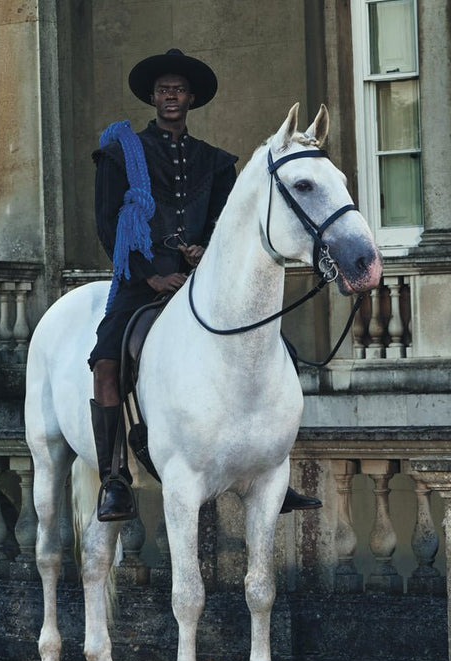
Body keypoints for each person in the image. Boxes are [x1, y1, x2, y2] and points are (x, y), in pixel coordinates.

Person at [88, 48, 321, 522]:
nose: (171, 96)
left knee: (281, 354)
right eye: (163, 90)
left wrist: (204, 251)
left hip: (202, 281)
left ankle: (272, 468)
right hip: (142, 280)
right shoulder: (120, 156)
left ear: (191, 99)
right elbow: (109, 228)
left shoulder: (215, 162)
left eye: (179, 90)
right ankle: (114, 479)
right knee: (106, 363)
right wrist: (152, 275)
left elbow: (226, 224)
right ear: (153, 98)